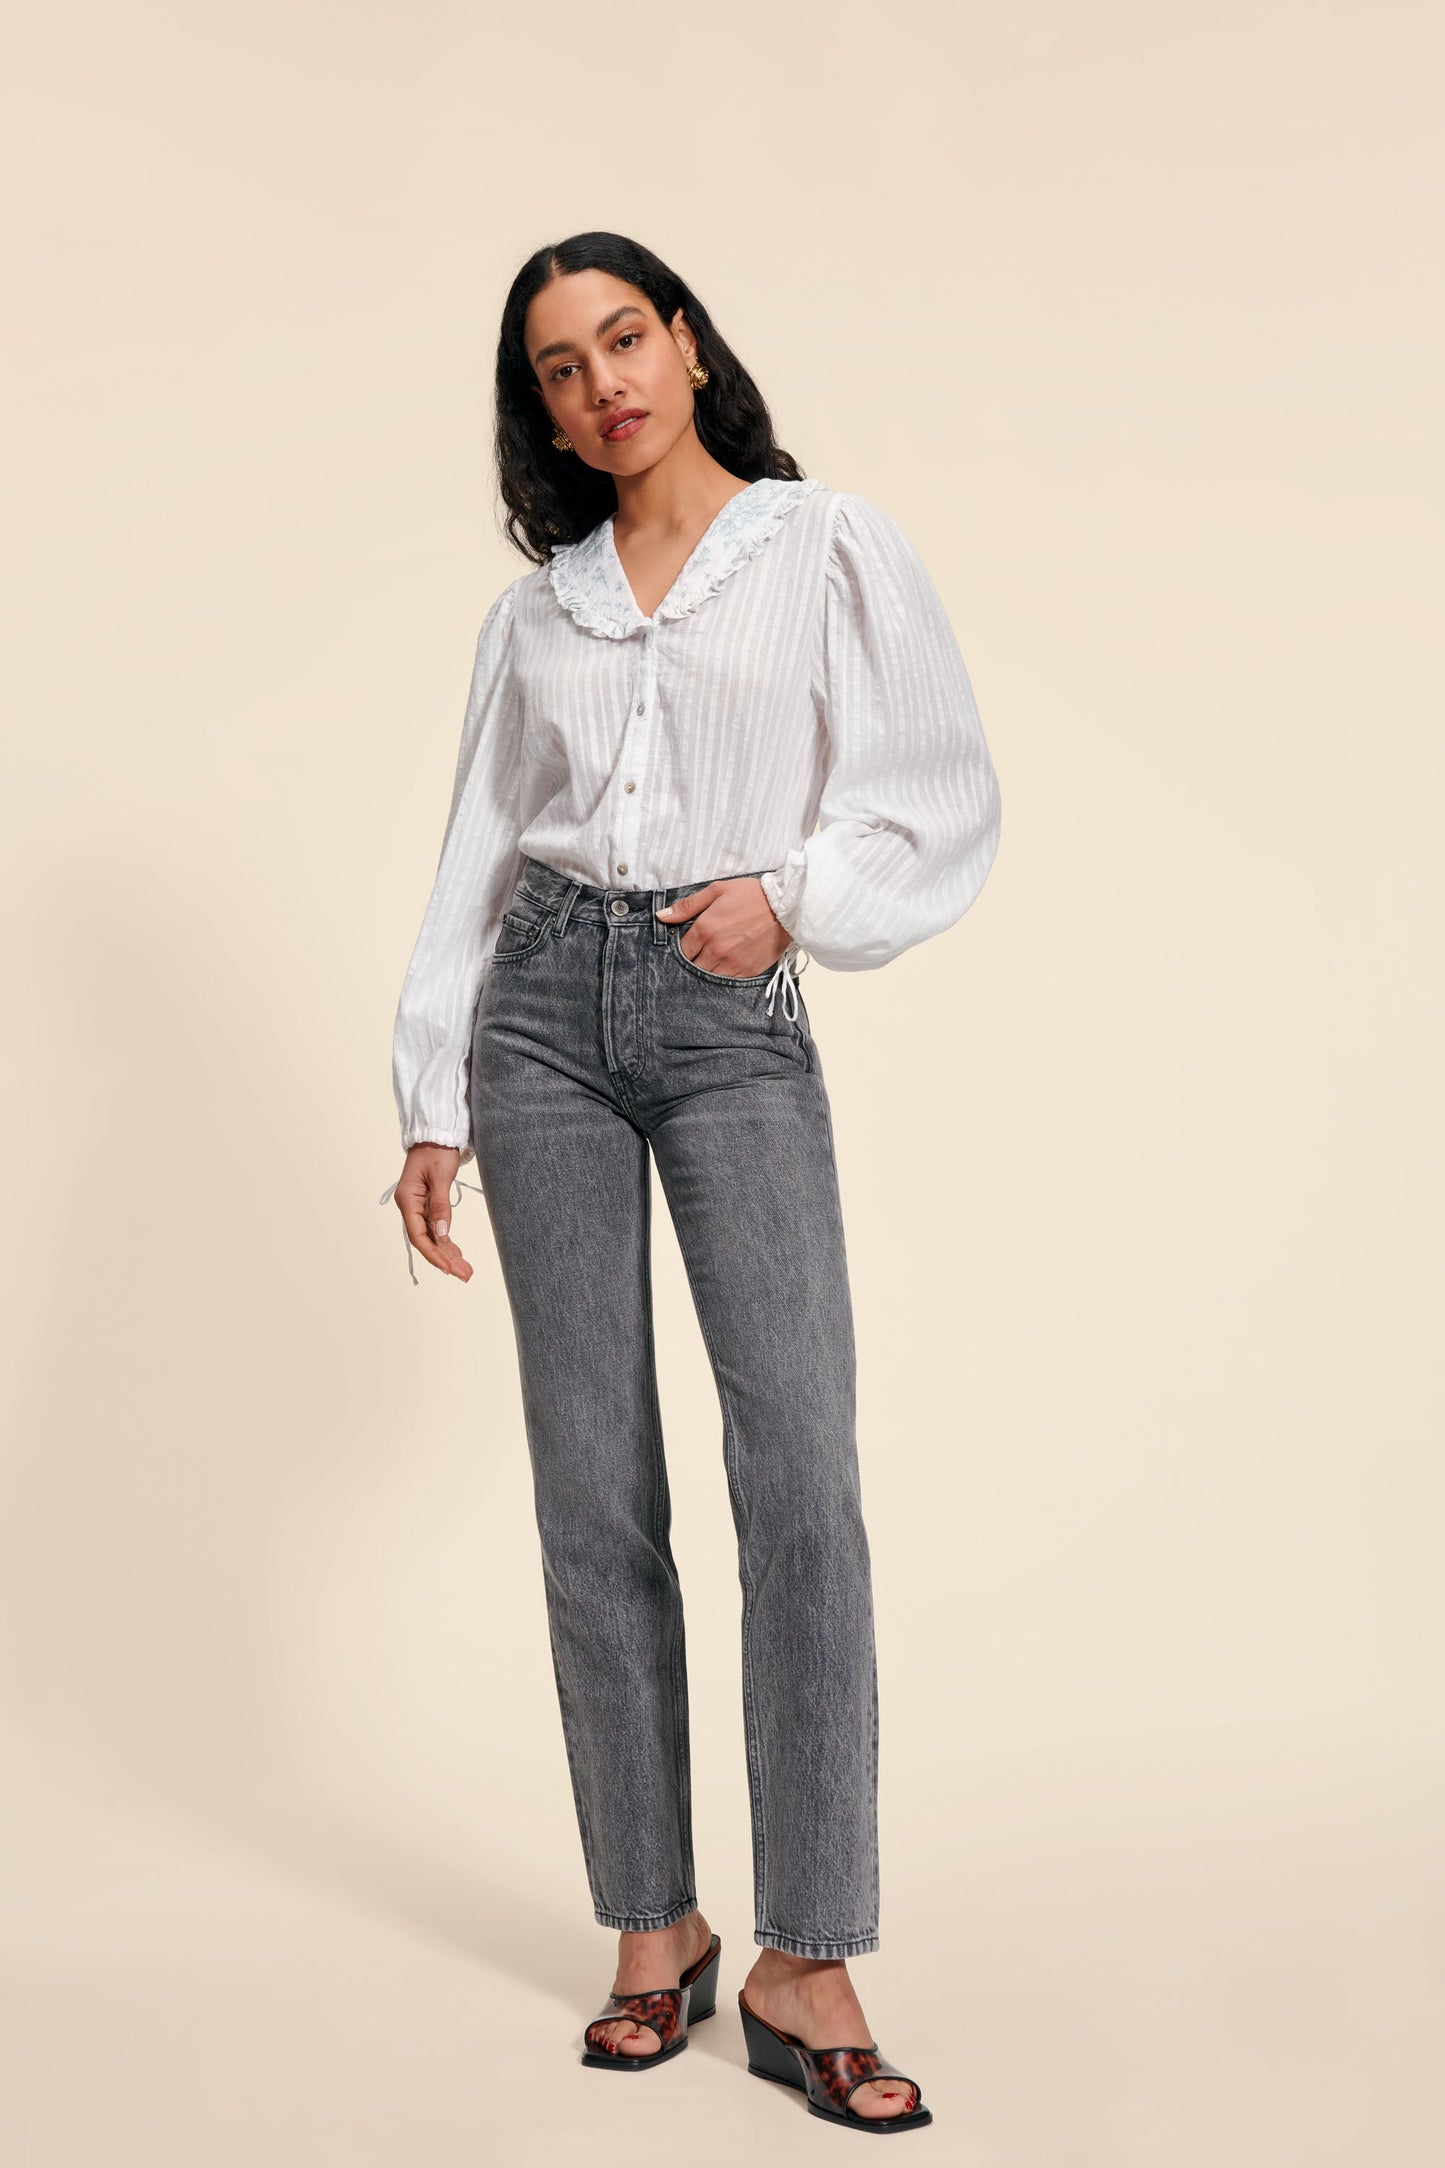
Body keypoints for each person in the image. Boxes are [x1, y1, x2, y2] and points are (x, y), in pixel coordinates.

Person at [380, 231, 1001, 2133]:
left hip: (728, 1018)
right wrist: (429, 1095)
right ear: (542, 409)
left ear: (690, 344)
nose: (603, 387)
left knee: (797, 1477)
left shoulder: (823, 548)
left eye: (624, 338)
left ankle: (809, 1954)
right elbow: (481, 848)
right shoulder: (537, 614)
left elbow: (939, 791)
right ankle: (653, 1921)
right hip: (539, 1022)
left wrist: (793, 897)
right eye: (560, 369)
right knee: (592, 1490)